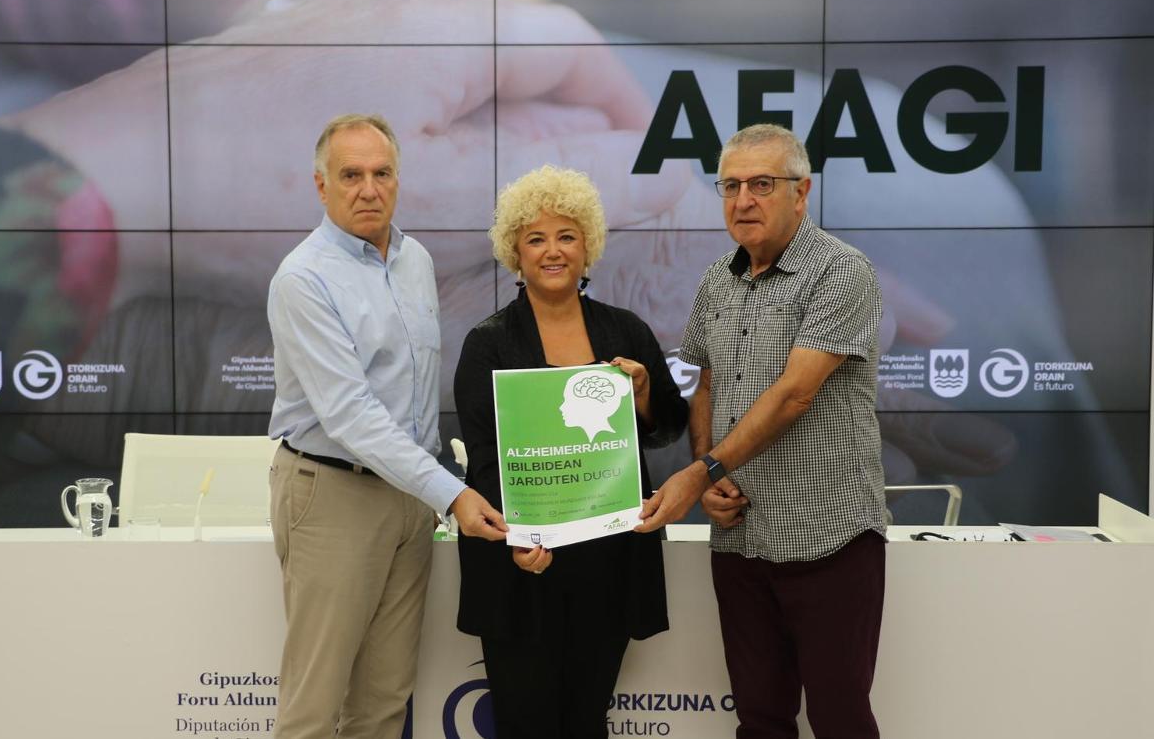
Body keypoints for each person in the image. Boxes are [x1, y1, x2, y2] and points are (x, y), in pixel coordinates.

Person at [635, 124, 887, 738]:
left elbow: (796, 393)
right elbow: (707, 380)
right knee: (760, 719)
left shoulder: (839, 270)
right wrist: (710, 468)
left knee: (840, 720)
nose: (743, 200)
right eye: (731, 186)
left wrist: (701, 473)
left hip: (830, 535)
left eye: (762, 185)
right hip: (741, 539)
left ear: (801, 193)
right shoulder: (716, 280)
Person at [265, 113, 507, 739]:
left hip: (408, 498)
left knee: (384, 702)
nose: (368, 189)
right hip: (334, 494)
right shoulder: (303, 278)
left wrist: (428, 493)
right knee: (313, 708)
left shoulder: (415, 259)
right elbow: (349, 413)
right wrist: (450, 492)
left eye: (382, 173)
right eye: (351, 175)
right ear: (321, 186)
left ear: (398, 180)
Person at [453, 165, 688, 739]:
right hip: (523, 563)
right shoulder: (489, 341)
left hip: (605, 565)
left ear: (588, 247)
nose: (552, 250)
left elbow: (668, 428)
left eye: (566, 236)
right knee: (525, 722)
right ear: (515, 252)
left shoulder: (626, 330)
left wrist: (643, 396)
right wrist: (519, 536)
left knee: (585, 721)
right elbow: (484, 459)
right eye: (536, 238)